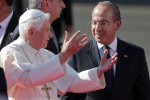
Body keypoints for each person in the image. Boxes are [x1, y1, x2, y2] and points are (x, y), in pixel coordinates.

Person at [0, 9, 118, 100]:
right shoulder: (10, 53)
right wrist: (63, 56)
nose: (50, 35)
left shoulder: (46, 54)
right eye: (46, 30)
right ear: (30, 31)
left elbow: (72, 80)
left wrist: (98, 72)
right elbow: (29, 78)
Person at [61, 1, 150, 100]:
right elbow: (68, 94)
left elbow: (144, 95)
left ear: (118, 24)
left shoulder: (135, 54)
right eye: (94, 23)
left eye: (104, 23)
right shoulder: (77, 53)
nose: (97, 28)